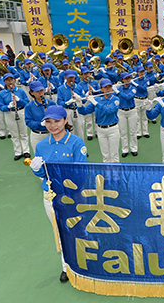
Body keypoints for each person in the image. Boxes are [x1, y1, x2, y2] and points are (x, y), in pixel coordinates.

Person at [29, 105, 87, 283]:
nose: (53, 125)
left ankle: (84, 263)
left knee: (77, 230)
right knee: (60, 231)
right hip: (50, 196)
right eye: (48, 122)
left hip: (72, 196)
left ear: (65, 121)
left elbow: (81, 173)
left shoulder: (76, 143)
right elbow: (42, 173)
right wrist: (37, 170)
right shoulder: (41, 145)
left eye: (57, 121)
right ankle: (66, 266)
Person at [82, 78, 120, 163]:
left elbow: (108, 111)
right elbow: (84, 111)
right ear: (101, 89)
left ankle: (116, 175)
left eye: (109, 87)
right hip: (100, 129)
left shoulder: (115, 99)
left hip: (112, 129)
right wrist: (79, 104)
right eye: (105, 87)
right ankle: (107, 174)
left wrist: (95, 103)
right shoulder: (98, 99)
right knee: (105, 155)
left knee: (114, 155)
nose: (108, 89)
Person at [0, 73, 30, 160]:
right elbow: (1, 107)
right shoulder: (1, 94)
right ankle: (18, 152)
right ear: (4, 82)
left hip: (20, 111)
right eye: (7, 80)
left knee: (23, 132)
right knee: (14, 134)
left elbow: (27, 103)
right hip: (9, 113)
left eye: (11, 79)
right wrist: (8, 106)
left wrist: (19, 100)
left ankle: (26, 150)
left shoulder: (21, 91)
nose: (10, 82)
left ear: (14, 80)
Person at [25, 81, 56, 154]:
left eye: (41, 90)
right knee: (39, 158)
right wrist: (40, 124)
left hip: (52, 133)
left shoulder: (51, 103)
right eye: (37, 91)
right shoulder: (29, 106)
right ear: (32, 92)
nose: (40, 93)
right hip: (37, 136)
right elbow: (28, 122)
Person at [116, 72, 138, 157]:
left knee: (132, 131)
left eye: (129, 78)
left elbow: (128, 97)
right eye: (125, 78)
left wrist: (117, 91)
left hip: (131, 110)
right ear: (122, 80)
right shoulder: (119, 88)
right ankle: (124, 149)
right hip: (121, 111)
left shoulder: (133, 88)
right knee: (123, 131)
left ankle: (134, 148)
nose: (128, 80)